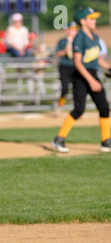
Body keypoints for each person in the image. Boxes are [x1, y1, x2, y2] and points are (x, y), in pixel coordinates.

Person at [52, 7, 111, 153]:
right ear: (83, 21)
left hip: (92, 74)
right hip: (81, 76)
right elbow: (78, 63)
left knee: (104, 107)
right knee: (79, 109)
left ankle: (106, 141)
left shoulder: (94, 37)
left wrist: (108, 67)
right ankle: (59, 139)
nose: (94, 21)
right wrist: (91, 81)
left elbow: (96, 58)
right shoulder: (79, 37)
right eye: (91, 18)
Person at [55, 21, 79, 113]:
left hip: (76, 66)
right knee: (65, 88)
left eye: (75, 29)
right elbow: (58, 53)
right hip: (65, 66)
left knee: (77, 89)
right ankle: (60, 105)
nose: (73, 31)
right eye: (71, 29)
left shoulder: (79, 40)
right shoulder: (62, 41)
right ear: (66, 31)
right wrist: (66, 50)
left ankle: (77, 109)